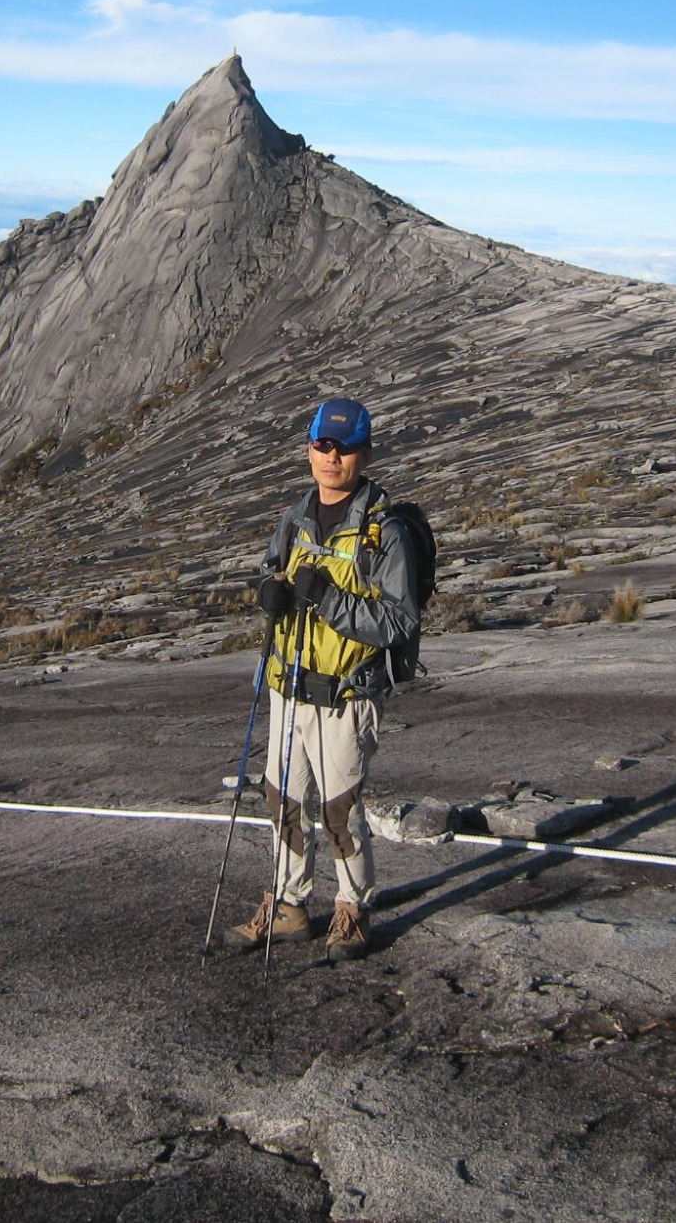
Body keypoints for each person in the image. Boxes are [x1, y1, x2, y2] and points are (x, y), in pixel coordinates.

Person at [227, 397, 421, 960]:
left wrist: (330, 600)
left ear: (365, 452)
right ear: (309, 447)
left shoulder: (384, 531)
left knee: (340, 808)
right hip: (289, 687)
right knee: (282, 799)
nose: (331, 457)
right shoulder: (294, 518)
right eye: (322, 445)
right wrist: (268, 590)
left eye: (345, 447)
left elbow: (398, 619)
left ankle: (352, 909)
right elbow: (273, 567)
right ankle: (288, 906)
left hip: (346, 694)